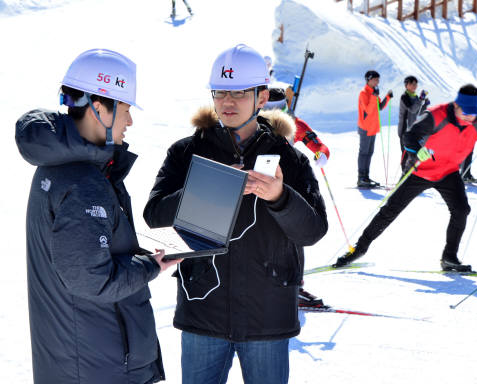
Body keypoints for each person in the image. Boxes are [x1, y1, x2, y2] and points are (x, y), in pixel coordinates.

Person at [143, 44, 328, 384]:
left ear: (261, 98)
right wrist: (208, 189)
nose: (227, 103)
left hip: (268, 316)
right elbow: (155, 218)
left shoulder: (290, 158)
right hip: (203, 312)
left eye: (239, 93)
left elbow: (313, 231)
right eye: (220, 93)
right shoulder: (187, 151)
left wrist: (279, 197)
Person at [15, 49, 180, 384]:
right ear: (98, 107)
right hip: (99, 367)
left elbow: (82, 256)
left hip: (81, 360)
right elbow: (95, 280)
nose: (130, 122)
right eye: (126, 110)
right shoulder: (81, 183)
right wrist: (151, 265)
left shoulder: (64, 167)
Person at [333, 84, 477, 272]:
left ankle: (449, 257)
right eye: (465, 112)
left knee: (461, 210)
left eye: (473, 113)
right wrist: (417, 151)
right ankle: (359, 248)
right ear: (456, 105)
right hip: (420, 170)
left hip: (448, 172)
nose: (470, 117)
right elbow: (409, 136)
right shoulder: (436, 115)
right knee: (391, 210)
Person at [264, 86, 330, 307]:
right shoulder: (252, 124)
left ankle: (295, 287)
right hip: (260, 185)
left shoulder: (295, 124)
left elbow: (317, 142)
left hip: (290, 188)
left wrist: (321, 153)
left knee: (294, 237)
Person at [357, 70, 392, 188]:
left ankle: (365, 177)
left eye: (378, 79)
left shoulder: (373, 92)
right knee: (364, 153)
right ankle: (361, 177)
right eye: (375, 79)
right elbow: (368, 110)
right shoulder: (363, 93)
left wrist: (387, 97)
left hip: (372, 127)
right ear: (369, 80)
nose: (377, 82)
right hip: (365, 128)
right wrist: (374, 97)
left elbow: (379, 107)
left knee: (369, 153)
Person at [398, 75, 429, 171]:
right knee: (405, 152)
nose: (414, 86)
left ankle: (411, 173)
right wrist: (420, 100)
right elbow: (412, 109)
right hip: (404, 129)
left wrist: (425, 105)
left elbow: (418, 112)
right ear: (406, 85)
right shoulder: (404, 97)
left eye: (415, 84)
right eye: (412, 84)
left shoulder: (415, 97)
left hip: (413, 130)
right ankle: (404, 172)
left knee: (413, 152)